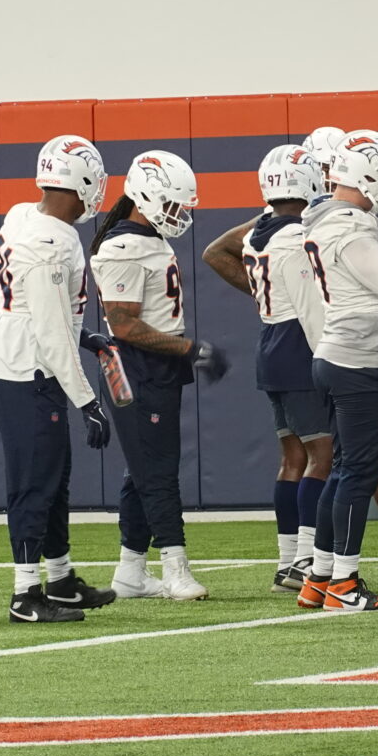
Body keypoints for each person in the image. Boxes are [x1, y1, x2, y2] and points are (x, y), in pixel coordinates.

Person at [0, 133, 118, 624]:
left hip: (21, 352)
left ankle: (58, 580)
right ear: (77, 182)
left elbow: (45, 312)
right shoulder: (51, 241)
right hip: (26, 367)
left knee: (54, 478)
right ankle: (24, 595)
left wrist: (87, 336)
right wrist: (88, 401)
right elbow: (51, 329)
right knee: (34, 480)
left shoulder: (24, 214)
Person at [90, 150, 228, 603]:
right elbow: (125, 324)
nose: (179, 215)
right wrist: (191, 349)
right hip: (133, 367)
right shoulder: (122, 246)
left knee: (143, 469)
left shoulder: (146, 237)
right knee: (158, 471)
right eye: (173, 205)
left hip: (154, 365)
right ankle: (175, 566)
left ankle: (131, 569)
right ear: (144, 196)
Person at [202, 144, 333, 593]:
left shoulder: (259, 229)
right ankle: (306, 559)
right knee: (323, 455)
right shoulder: (295, 236)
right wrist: (327, 358)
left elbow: (220, 254)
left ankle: (286, 559)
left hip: (271, 342)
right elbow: (310, 306)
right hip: (298, 343)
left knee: (293, 458)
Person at [297, 130, 378, 612]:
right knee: (356, 476)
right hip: (360, 362)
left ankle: (321, 577)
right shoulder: (347, 224)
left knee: (345, 472)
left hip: (344, 355)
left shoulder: (335, 219)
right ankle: (344, 585)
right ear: (365, 173)